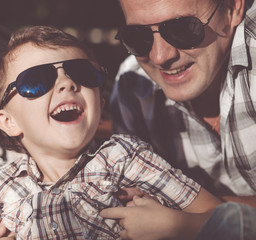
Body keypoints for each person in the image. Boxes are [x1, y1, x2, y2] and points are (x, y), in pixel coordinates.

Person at [0, 26, 221, 240]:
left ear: (100, 102)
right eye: (37, 81)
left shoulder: (125, 158)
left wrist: (175, 226)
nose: (67, 83)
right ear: (9, 122)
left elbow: (220, 217)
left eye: (82, 73)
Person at [101, 0, 256, 239]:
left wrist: (189, 221)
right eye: (138, 36)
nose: (160, 56)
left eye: (182, 29)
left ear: (233, 9)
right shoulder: (133, 85)